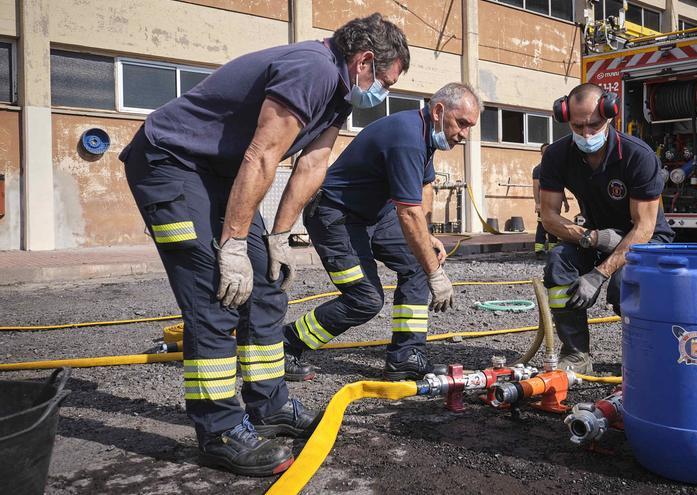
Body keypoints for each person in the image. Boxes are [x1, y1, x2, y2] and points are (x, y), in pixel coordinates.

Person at [120, 14, 410, 476]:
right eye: (386, 81)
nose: (384, 94)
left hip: (220, 175)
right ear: (366, 60)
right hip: (170, 163)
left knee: (267, 287)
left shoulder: (338, 95)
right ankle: (219, 431)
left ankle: (269, 406)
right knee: (218, 289)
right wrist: (233, 245)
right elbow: (263, 154)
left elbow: (313, 164)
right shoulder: (314, 68)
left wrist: (278, 236)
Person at [283, 82, 481, 381]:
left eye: (470, 127)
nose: (465, 135)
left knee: (416, 262)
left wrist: (425, 238)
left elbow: (424, 187)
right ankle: (287, 343)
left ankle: (406, 356)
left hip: (374, 214)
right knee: (364, 299)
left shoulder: (427, 135)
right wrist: (436, 274)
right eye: (462, 123)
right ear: (439, 110)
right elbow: (408, 211)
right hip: (335, 215)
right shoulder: (407, 138)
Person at [539, 83, 674, 373]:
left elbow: (645, 228)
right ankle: (576, 355)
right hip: (597, 235)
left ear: (610, 115)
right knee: (558, 263)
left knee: (623, 281)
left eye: (594, 125)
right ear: (566, 119)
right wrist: (592, 238)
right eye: (578, 126)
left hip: (645, 241)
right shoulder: (557, 155)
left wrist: (598, 274)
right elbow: (549, 216)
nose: (587, 134)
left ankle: (645, 356)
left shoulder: (638, 156)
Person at [532, 143, 568, 257]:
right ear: (541, 153)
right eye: (545, 151)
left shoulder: (555, 168)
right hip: (543, 203)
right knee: (542, 226)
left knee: (554, 224)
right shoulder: (538, 169)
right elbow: (535, 186)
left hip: (555, 203)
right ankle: (539, 250)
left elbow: (560, 188)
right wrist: (537, 203)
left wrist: (565, 202)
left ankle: (553, 248)